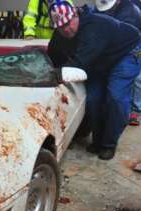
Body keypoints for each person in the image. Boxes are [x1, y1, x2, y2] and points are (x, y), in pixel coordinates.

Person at [47, 1, 141, 160]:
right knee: (93, 98)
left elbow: (79, 63)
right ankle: (98, 141)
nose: (67, 29)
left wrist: (54, 75)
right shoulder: (60, 35)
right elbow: (52, 58)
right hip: (101, 56)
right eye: (62, 27)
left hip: (127, 52)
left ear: (75, 15)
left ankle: (109, 144)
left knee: (116, 96)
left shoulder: (94, 27)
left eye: (69, 23)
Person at [95, 0, 141, 126]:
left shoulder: (131, 13)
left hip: (133, 43)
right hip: (122, 33)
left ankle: (135, 110)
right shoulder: (102, 8)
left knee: (136, 79)